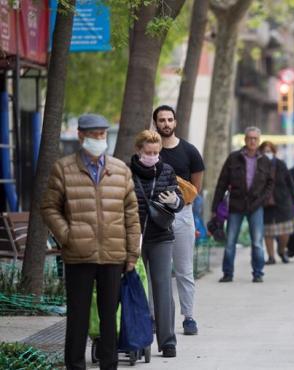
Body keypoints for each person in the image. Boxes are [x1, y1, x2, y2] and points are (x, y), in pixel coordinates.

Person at [41, 114, 141, 370]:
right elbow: (49, 207)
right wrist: (68, 235)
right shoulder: (63, 168)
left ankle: (109, 365)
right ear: (81, 136)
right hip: (78, 254)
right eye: (95, 134)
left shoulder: (120, 170)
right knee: (78, 317)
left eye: (103, 134)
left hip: (113, 255)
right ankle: (75, 365)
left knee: (109, 316)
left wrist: (132, 254)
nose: (100, 139)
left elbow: (131, 215)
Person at [130, 130, 184, 358]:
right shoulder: (126, 171)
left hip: (161, 235)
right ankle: (139, 338)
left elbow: (179, 201)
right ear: (139, 150)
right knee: (137, 288)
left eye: (156, 152)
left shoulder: (167, 170)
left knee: (162, 288)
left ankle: (168, 341)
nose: (152, 156)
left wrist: (175, 201)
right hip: (135, 236)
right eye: (148, 152)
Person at [153, 105, 205, 336]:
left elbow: (196, 188)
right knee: (157, 271)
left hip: (182, 215)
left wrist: (181, 202)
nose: (166, 123)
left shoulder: (190, 151)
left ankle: (189, 317)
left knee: (184, 270)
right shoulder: (150, 151)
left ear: (175, 122)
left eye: (169, 119)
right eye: (161, 120)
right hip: (155, 215)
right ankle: (156, 318)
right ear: (155, 123)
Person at [211, 127, 273, 283]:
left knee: (257, 243)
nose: (252, 141)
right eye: (250, 138)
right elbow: (222, 183)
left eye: (255, 139)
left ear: (259, 141)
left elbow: (270, 185)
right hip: (236, 205)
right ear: (245, 140)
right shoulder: (233, 158)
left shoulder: (265, 161)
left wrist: (262, 201)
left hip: (256, 205)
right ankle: (227, 273)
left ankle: (258, 273)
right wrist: (215, 207)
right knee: (230, 241)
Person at [259, 141, 294, 264]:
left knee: (284, 232)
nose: (267, 153)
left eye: (269, 151)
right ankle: (271, 257)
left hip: (282, 202)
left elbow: (290, 183)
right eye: (265, 151)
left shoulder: (281, 164)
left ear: (274, 152)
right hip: (265, 204)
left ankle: (281, 250)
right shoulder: (258, 166)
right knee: (268, 232)